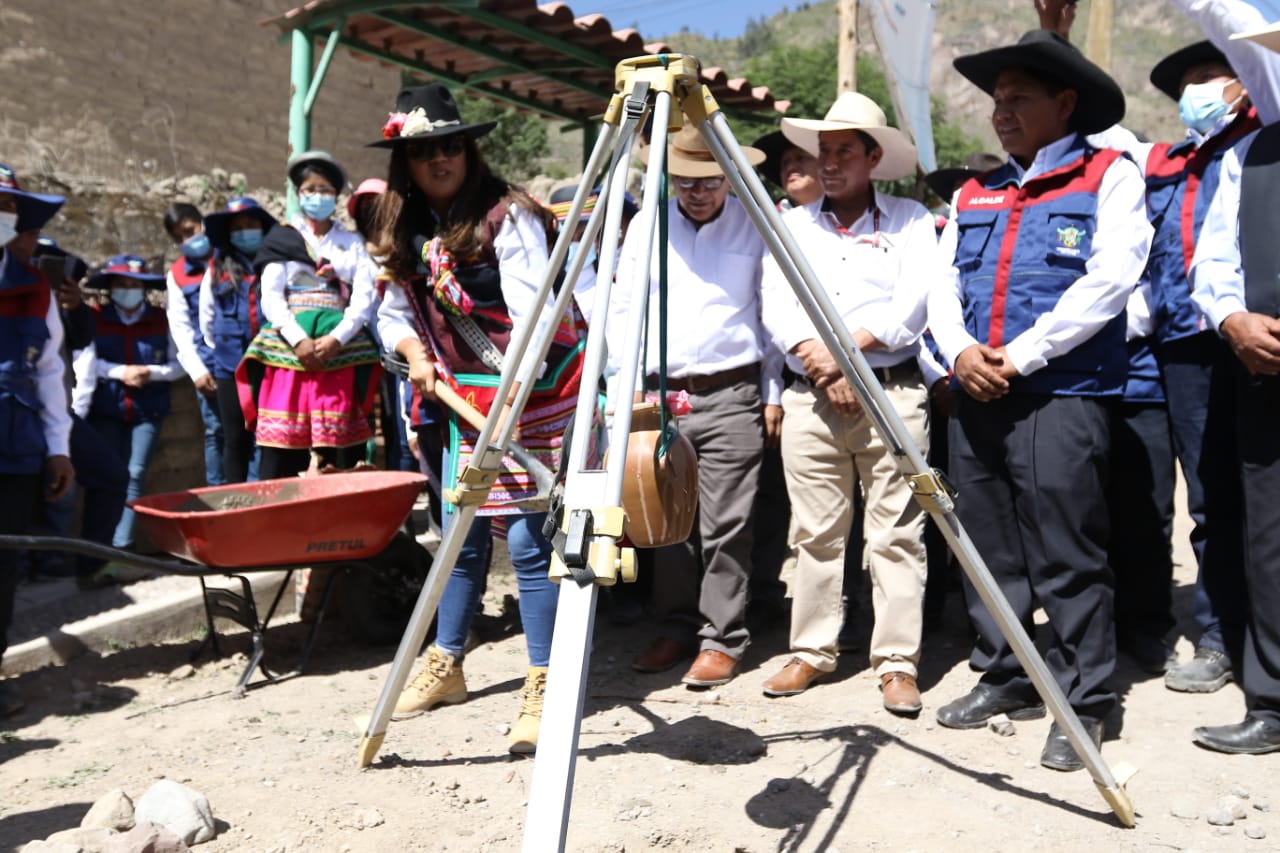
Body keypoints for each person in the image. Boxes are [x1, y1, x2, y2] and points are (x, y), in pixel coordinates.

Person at [927, 30, 1152, 771]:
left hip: (1061, 394)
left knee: (1069, 553)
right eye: (996, 102)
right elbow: (943, 287)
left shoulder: (1109, 175)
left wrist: (1019, 356)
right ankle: (1007, 674)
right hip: (978, 394)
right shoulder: (975, 189)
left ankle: (1085, 701)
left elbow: (1110, 280)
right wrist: (960, 352)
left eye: (1018, 99)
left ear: (1065, 103)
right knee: (988, 551)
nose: (1001, 113)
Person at [374, 83, 586, 753]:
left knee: (527, 542)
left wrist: (513, 400)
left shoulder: (508, 216)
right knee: (460, 537)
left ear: (467, 150)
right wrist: (415, 354)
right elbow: (394, 313)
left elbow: (534, 315)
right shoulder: (403, 229)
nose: (438, 159)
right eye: (422, 150)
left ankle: (545, 679)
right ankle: (449, 663)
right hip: (463, 400)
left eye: (449, 146)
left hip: (536, 391)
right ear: (404, 161)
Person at [758, 92, 939, 715]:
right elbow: (778, 305)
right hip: (812, 397)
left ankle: (895, 661)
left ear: (872, 156)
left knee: (896, 533)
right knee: (814, 531)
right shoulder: (791, 224)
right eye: (822, 151)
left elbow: (912, 306)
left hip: (891, 392)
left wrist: (844, 355)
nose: (829, 163)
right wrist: (823, 357)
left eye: (843, 151)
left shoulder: (911, 221)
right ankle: (812, 650)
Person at [613, 124, 778, 689]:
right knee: (668, 521)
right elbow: (624, 308)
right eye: (684, 180)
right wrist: (628, 383)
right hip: (661, 394)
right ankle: (676, 626)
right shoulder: (647, 227)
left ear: (728, 178)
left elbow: (771, 310)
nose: (697, 191)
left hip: (733, 391)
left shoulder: (756, 222)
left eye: (708, 180)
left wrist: (772, 391)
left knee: (727, 521)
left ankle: (722, 637)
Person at [1182, 13, 1280, 758]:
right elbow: (1212, 261)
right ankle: (1272, 701)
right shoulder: (1248, 155)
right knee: (1269, 540)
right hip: (1263, 375)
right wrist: (1233, 319)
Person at [237, 152, 381, 479]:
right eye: (309, 189)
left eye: (325, 189)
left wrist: (337, 339)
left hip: (340, 347)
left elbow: (363, 296)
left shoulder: (351, 242)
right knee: (284, 446)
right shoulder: (282, 238)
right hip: (291, 349)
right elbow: (271, 296)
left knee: (342, 447)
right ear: (298, 193)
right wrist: (299, 340)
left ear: (336, 196)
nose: (317, 196)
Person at [0, 162, 74, 715]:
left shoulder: (34, 287)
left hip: (16, 449)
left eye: (7, 208)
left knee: (5, 569)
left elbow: (49, 370)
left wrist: (58, 448)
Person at [748, 130, 824, 634]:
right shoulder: (771, 228)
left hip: (860, 376)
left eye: (803, 158)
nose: (790, 167)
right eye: (785, 162)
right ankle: (766, 597)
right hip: (790, 383)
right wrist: (774, 389)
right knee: (778, 502)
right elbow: (768, 318)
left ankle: (854, 611)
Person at [30, 238, 127, 585]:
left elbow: (81, 339)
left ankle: (91, 564)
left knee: (111, 476)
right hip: (14, 411)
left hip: (56, 412)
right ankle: (39, 566)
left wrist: (74, 307)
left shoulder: (58, 303)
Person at [74, 256, 181, 551]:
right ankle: (99, 548)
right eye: (121, 284)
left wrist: (152, 373)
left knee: (135, 473)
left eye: (134, 285)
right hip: (107, 407)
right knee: (106, 475)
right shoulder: (94, 318)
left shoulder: (162, 319)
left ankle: (123, 546)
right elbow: (86, 363)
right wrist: (121, 372)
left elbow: (178, 364)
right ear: (110, 288)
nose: (127, 290)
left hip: (149, 408)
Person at [199, 197, 278, 483]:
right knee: (234, 439)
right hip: (229, 367)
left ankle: (267, 502)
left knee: (271, 437)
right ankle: (236, 498)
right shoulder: (217, 268)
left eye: (251, 225)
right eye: (238, 227)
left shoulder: (276, 264)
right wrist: (220, 350)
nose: (245, 231)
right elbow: (206, 321)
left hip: (271, 363)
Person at [163, 203, 225, 487]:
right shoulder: (177, 274)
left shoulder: (230, 258)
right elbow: (180, 327)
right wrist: (197, 370)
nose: (187, 240)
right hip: (208, 366)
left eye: (190, 231)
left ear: (203, 223)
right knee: (215, 432)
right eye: (179, 238)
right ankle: (219, 493)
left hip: (243, 361)